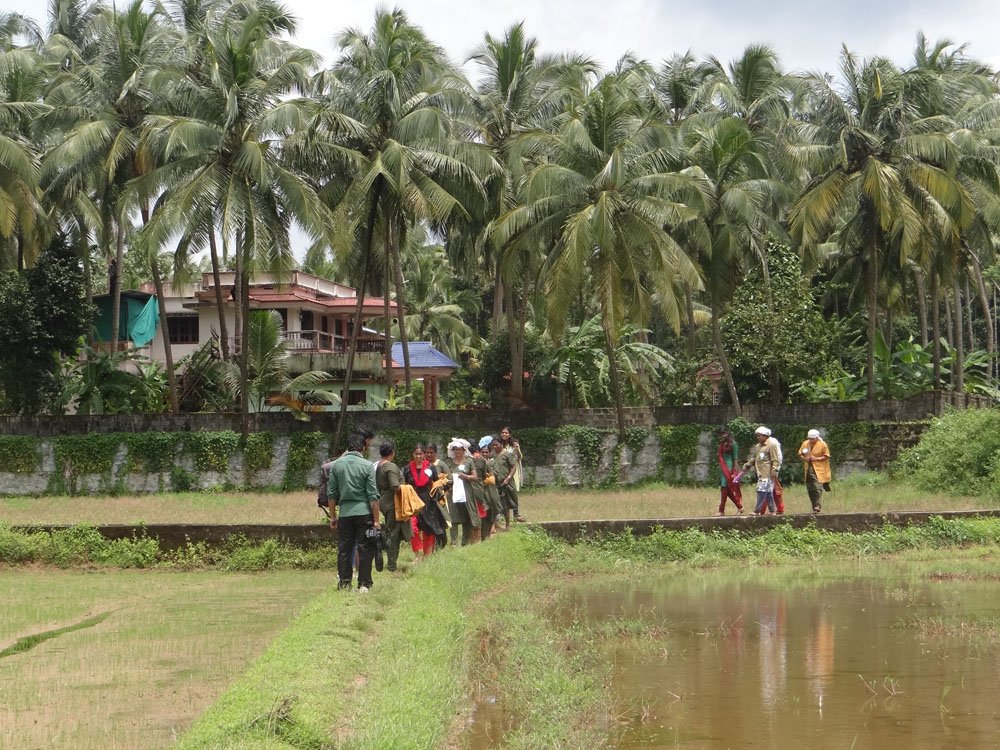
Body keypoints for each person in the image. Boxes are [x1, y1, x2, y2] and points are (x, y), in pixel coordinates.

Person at [328, 433, 380, 591]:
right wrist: (376, 520)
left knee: (345, 548)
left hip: (345, 513)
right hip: (364, 512)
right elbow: (373, 496)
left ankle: (344, 582)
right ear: (363, 448)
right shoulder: (367, 465)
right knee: (365, 548)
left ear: (348, 447)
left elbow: (332, 494)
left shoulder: (336, 465)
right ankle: (364, 584)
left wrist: (332, 516)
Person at [402, 444, 445, 557]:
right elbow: (404, 484)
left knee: (428, 529)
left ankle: (427, 554)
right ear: (413, 454)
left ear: (424, 454)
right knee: (413, 527)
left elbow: (436, 483)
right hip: (413, 502)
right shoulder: (407, 469)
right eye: (416, 454)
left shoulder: (430, 467)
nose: (418, 456)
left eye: (421, 454)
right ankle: (417, 553)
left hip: (428, 502)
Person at [375, 441, 407, 571]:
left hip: (384, 501)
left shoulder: (378, 465)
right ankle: (391, 565)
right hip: (393, 503)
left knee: (392, 531)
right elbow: (395, 486)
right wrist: (408, 490)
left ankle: (390, 561)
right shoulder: (391, 466)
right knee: (394, 533)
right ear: (392, 452)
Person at [446, 438, 481, 545]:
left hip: (466, 494)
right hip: (453, 494)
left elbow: (475, 477)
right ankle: (453, 542)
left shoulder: (469, 461)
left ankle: (465, 542)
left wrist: (465, 476)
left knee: (467, 517)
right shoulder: (449, 463)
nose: (457, 451)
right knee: (454, 517)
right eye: (455, 449)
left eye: (460, 449)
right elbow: (445, 477)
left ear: (464, 450)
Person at [743, 426, 781, 515]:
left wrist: (774, 470)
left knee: (761, 491)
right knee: (768, 492)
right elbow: (754, 458)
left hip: (767, 473)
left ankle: (757, 510)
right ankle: (772, 510)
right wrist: (748, 465)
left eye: (759, 436)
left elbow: (775, 459)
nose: (758, 438)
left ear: (765, 436)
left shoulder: (772, 444)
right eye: (757, 436)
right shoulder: (758, 446)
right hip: (760, 473)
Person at [798, 428, 831, 513]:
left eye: (812, 439)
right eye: (809, 438)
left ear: (817, 438)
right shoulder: (805, 443)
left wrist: (816, 459)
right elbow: (800, 453)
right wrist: (804, 459)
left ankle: (818, 505)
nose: (811, 440)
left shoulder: (823, 444)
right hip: (808, 469)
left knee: (817, 487)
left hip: (819, 469)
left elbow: (826, 456)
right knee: (810, 488)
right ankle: (814, 506)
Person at [425, 443, 451, 548]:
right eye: (427, 452)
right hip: (426, 497)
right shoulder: (423, 465)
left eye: (431, 453)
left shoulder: (441, 464)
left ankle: (441, 542)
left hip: (439, 497)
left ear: (436, 453)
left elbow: (450, 480)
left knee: (440, 519)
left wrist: (442, 487)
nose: (429, 455)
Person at [498, 426, 526, 522]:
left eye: (506, 433)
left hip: (512, 471)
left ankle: (516, 514)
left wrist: (517, 448)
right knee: (502, 492)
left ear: (509, 434)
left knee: (512, 491)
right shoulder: (498, 444)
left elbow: (519, 457)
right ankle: (503, 515)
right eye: (502, 432)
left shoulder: (513, 445)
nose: (504, 434)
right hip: (502, 470)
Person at [479, 436, 504, 538]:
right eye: (483, 452)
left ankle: (492, 525)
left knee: (493, 507)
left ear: (490, 453)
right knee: (484, 508)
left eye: (486, 452)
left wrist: (489, 475)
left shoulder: (492, 462)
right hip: (481, 489)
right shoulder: (477, 462)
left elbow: (497, 474)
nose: (484, 454)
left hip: (491, 488)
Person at [716, 430, 743, 515]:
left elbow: (735, 459)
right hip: (722, 468)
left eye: (723, 434)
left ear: (727, 434)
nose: (721, 436)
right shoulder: (721, 445)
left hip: (729, 467)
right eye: (720, 435)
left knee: (724, 487)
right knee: (726, 489)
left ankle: (721, 510)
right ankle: (740, 507)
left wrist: (734, 472)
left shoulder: (733, 444)